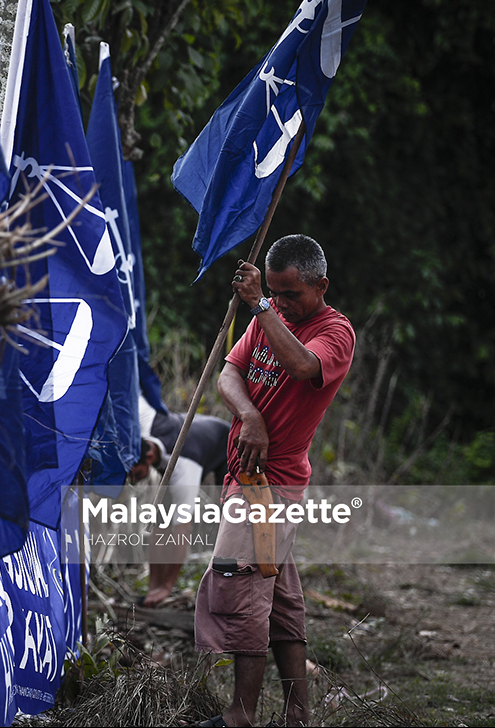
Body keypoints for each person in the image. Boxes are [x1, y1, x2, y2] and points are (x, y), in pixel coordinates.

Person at [193, 235, 354, 728]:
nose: (283, 304)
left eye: (291, 294)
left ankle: (241, 715)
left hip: (271, 488)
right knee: (279, 599)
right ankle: (298, 716)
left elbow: (303, 365)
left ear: (320, 285)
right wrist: (250, 416)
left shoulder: (335, 331)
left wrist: (261, 305)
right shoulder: (271, 318)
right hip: (244, 475)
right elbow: (229, 373)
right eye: (277, 294)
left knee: (240, 589)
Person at [136, 396, 230, 608]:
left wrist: (166, 588)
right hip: (193, 434)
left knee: (229, 515)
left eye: (134, 473)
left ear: (149, 456)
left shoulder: (183, 470)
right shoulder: (143, 423)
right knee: (161, 520)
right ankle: (154, 585)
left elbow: (182, 530)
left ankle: (168, 587)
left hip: (225, 443)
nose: (131, 478)